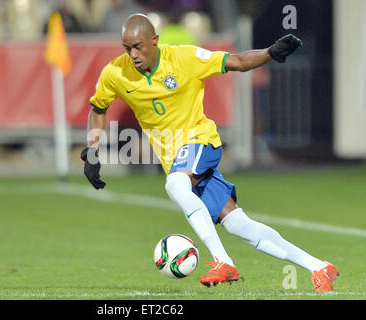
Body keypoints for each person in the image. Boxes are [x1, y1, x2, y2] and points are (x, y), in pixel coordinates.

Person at [80, 14, 338, 292]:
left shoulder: (184, 58)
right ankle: (320, 267)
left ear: (155, 41)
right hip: (176, 160)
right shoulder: (115, 73)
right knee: (238, 224)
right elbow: (98, 108)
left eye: (138, 46)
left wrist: (271, 53)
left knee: (175, 184)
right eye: (126, 48)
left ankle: (223, 261)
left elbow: (236, 62)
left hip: (201, 141)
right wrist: (92, 150)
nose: (133, 54)